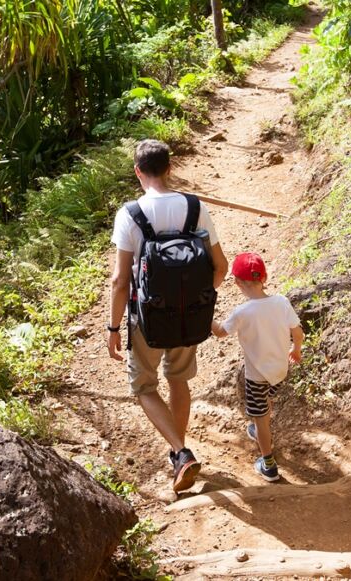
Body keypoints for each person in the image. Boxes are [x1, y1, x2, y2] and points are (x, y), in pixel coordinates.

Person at [107, 139, 228, 492]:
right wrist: (199, 300)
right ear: (170, 168)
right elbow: (220, 266)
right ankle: (180, 454)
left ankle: (180, 452)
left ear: (138, 172)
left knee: (144, 386)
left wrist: (113, 326)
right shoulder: (194, 207)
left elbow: (119, 279)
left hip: (146, 319)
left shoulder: (131, 214)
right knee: (178, 380)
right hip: (189, 316)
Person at [211, 252, 303, 481]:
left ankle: (268, 464)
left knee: (261, 419)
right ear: (265, 277)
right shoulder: (281, 302)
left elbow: (221, 332)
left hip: (256, 376)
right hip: (281, 370)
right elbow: (297, 331)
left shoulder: (242, 312)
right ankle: (258, 430)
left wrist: (205, 317)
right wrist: (296, 349)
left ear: (237, 282)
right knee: (266, 402)